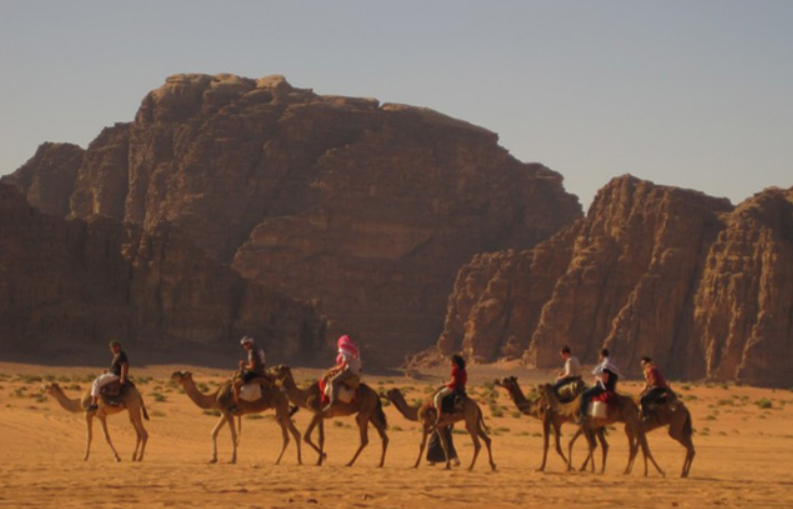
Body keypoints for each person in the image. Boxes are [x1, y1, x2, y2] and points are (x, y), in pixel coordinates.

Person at [577, 348, 620, 424]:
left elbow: (605, 380)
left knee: (584, 394)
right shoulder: (612, 363)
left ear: (601, 355)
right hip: (611, 386)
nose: (599, 358)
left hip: (605, 387)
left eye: (600, 356)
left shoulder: (606, 365)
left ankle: (582, 416)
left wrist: (598, 379)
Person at [323, 335, 362, 412]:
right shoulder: (352, 349)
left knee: (333, 381)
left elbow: (342, 366)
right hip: (354, 370)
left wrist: (332, 369)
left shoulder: (346, 351)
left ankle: (333, 403)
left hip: (350, 371)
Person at [87, 340, 128, 412]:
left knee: (96, 382)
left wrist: (122, 378)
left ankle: (94, 404)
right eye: (111, 347)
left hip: (115, 375)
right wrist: (107, 372)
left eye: (113, 347)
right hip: (113, 374)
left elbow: (123, 365)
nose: (112, 349)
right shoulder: (118, 354)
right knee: (101, 377)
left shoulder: (120, 355)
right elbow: (117, 367)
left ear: (118, 347)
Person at [229, 336, 267, 412]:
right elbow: (263, 363)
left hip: (254, 373)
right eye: (244, 344)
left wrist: (243, 366)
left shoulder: (252, 352)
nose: (245, 346)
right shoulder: (259, 349)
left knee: (236, 384)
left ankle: (236, 405)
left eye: (247, 343)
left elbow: (252, 366)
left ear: (251, 343)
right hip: (261, 371)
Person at [434, 354, 467, 424]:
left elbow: (453, 382)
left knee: (438, 396)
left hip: (453, 388)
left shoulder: (454, 369)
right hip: (461, 389)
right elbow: (464, 380)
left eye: (451, 362)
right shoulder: (463, 370)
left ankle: (439, 416)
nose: (450, 363)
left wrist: (443, 384)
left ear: (454, 362)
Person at [639, 356, 673, 421]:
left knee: (643, 399)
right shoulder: (649, 370)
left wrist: (648, 388)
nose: (642, 365)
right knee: (644, 397)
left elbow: (653, 381)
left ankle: (647, 416)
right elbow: (647, 385)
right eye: (642, 364)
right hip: (658, 388)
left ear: (648, 363)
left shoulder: (651, 369)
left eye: (643, 363)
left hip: (659, 388)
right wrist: (641, 392)